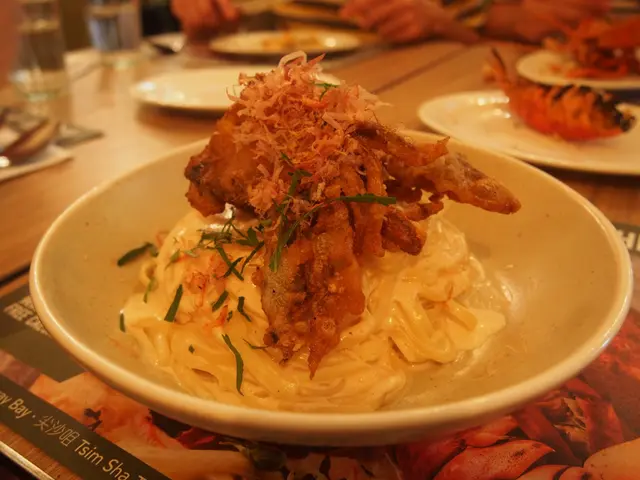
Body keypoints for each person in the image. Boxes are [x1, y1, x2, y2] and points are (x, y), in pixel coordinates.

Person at [170, 0, 611, 44]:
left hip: (413, 86)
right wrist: (203, 16)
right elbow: (226, 32)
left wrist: (438, 21)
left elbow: (475, 36)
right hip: (291, 83)